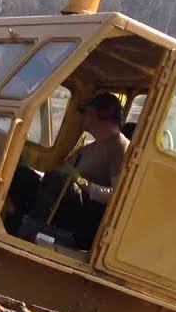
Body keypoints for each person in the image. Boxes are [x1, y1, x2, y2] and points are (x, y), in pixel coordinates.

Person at [10, 93, 130, 247]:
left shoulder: (119, 147)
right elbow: (60, 173)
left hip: (85, 216)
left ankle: (31, 233)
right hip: (64, 200)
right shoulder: (88, 147)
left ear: (99, 114)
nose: (83, 118)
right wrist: (28, 167)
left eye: (86, 112)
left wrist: (79, 180)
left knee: (59, 181)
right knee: (23, 175)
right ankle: (22, 225)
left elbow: (117, 195)